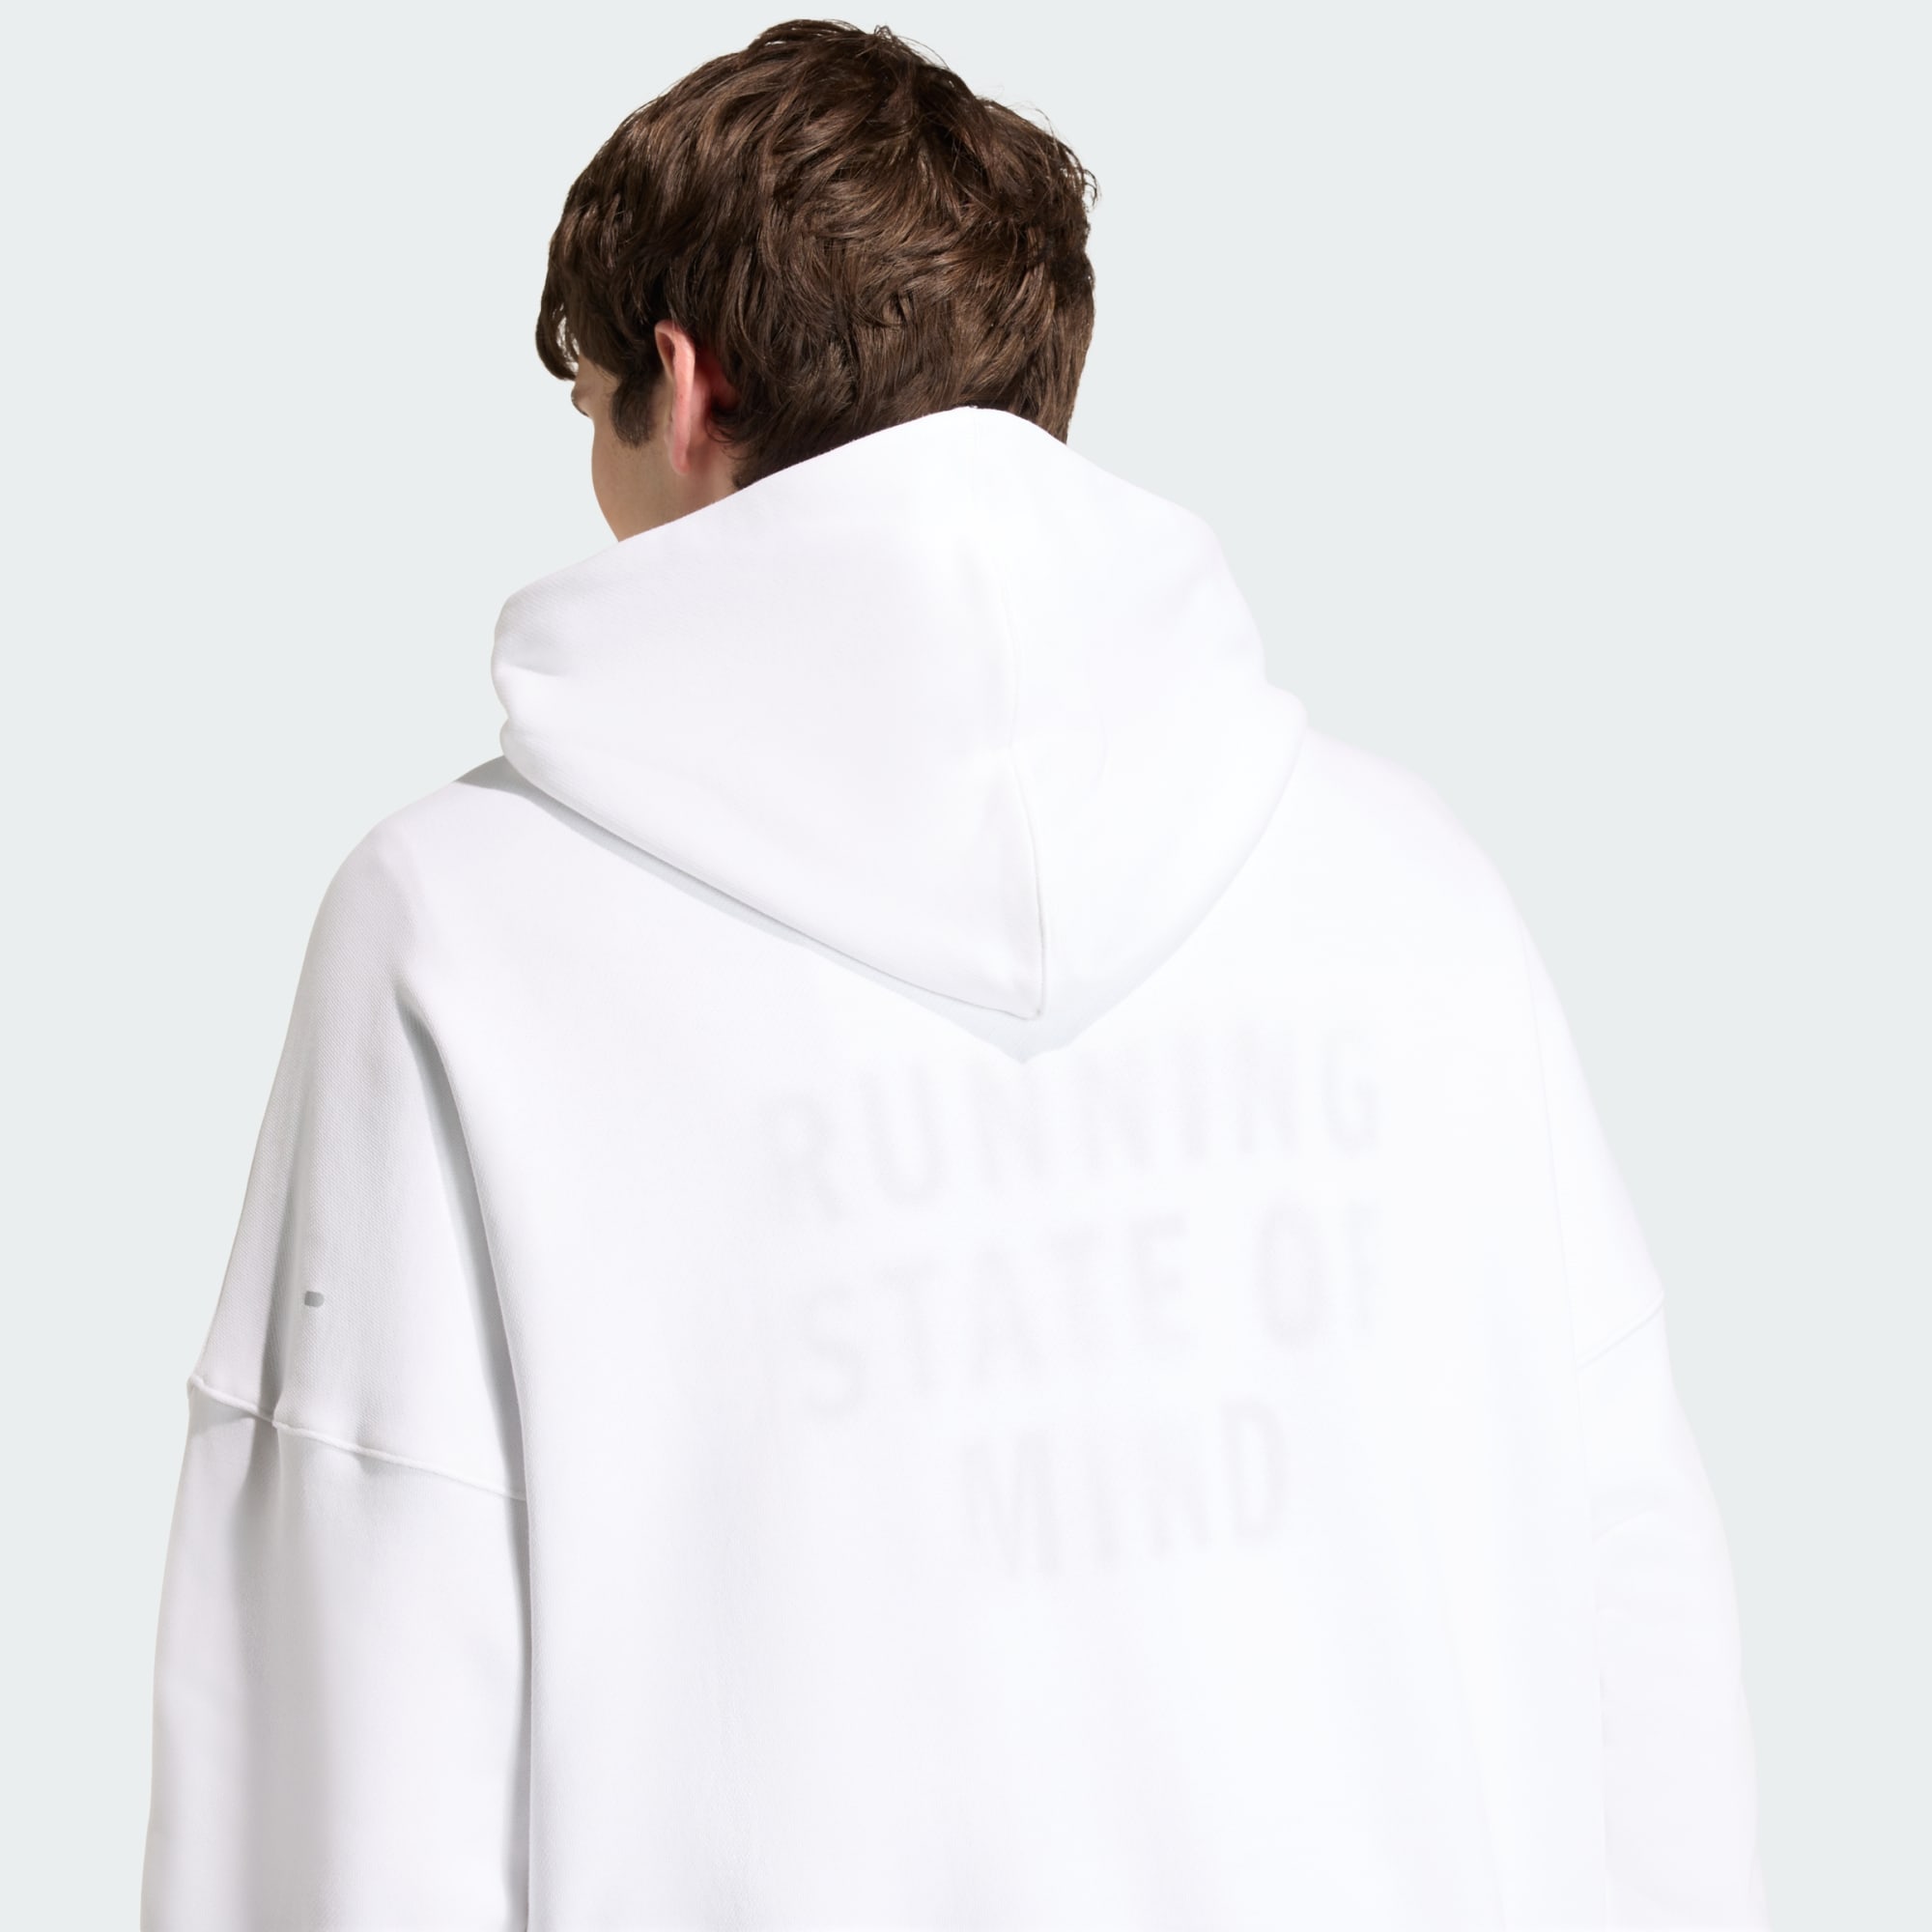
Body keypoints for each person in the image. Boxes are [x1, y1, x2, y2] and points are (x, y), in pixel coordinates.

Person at [140, 19, 1766, 1930]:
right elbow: (1633, 1634)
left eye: (589, 406)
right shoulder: (1409, 887)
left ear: (683, 380)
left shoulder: (459, 932)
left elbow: (355, 1726)